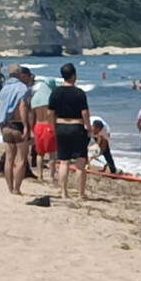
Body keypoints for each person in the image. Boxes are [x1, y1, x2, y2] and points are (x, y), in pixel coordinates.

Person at [49, 62, 92, 200]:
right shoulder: (79, 93)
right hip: (76, 127)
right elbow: (84, 113)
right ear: (73, 76)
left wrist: (53, 127)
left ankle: (64, 192)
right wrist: (89, 128)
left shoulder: (55, 92)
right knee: (80, 163)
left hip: (61, 127)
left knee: (64, 161)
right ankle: (80, 193)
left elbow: (50, 113)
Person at [0, 64, 35, 194]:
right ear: (19, 74)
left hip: (6, 124)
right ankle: (17, 188)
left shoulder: (4, 89)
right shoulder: (22, 88)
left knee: (9, 158)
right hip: (18, 124)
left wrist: (0, 125)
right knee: (21, 159)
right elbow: (23, 107)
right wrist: (26, 126)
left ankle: (9, 187)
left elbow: (0, 108)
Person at [29, 74, 57, 182]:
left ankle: (40, 175)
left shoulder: (36, 98)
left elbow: (32, 116)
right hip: (48, 126)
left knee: (40, 153)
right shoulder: (50, 98)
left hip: (38, 126)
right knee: (52, 154)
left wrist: (32, 129)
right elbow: (52, 115)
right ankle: (51, 176)